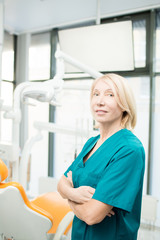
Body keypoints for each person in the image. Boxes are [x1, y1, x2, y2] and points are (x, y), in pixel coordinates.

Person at [57, 73, 145, 240]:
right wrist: (75, 195)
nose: (100, 101)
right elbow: (61, 183)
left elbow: (92, 215)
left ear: (124, 104)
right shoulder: (91, 143)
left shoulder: (129, 150)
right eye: (96, 94)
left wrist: (68, 198)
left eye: (110, 94)